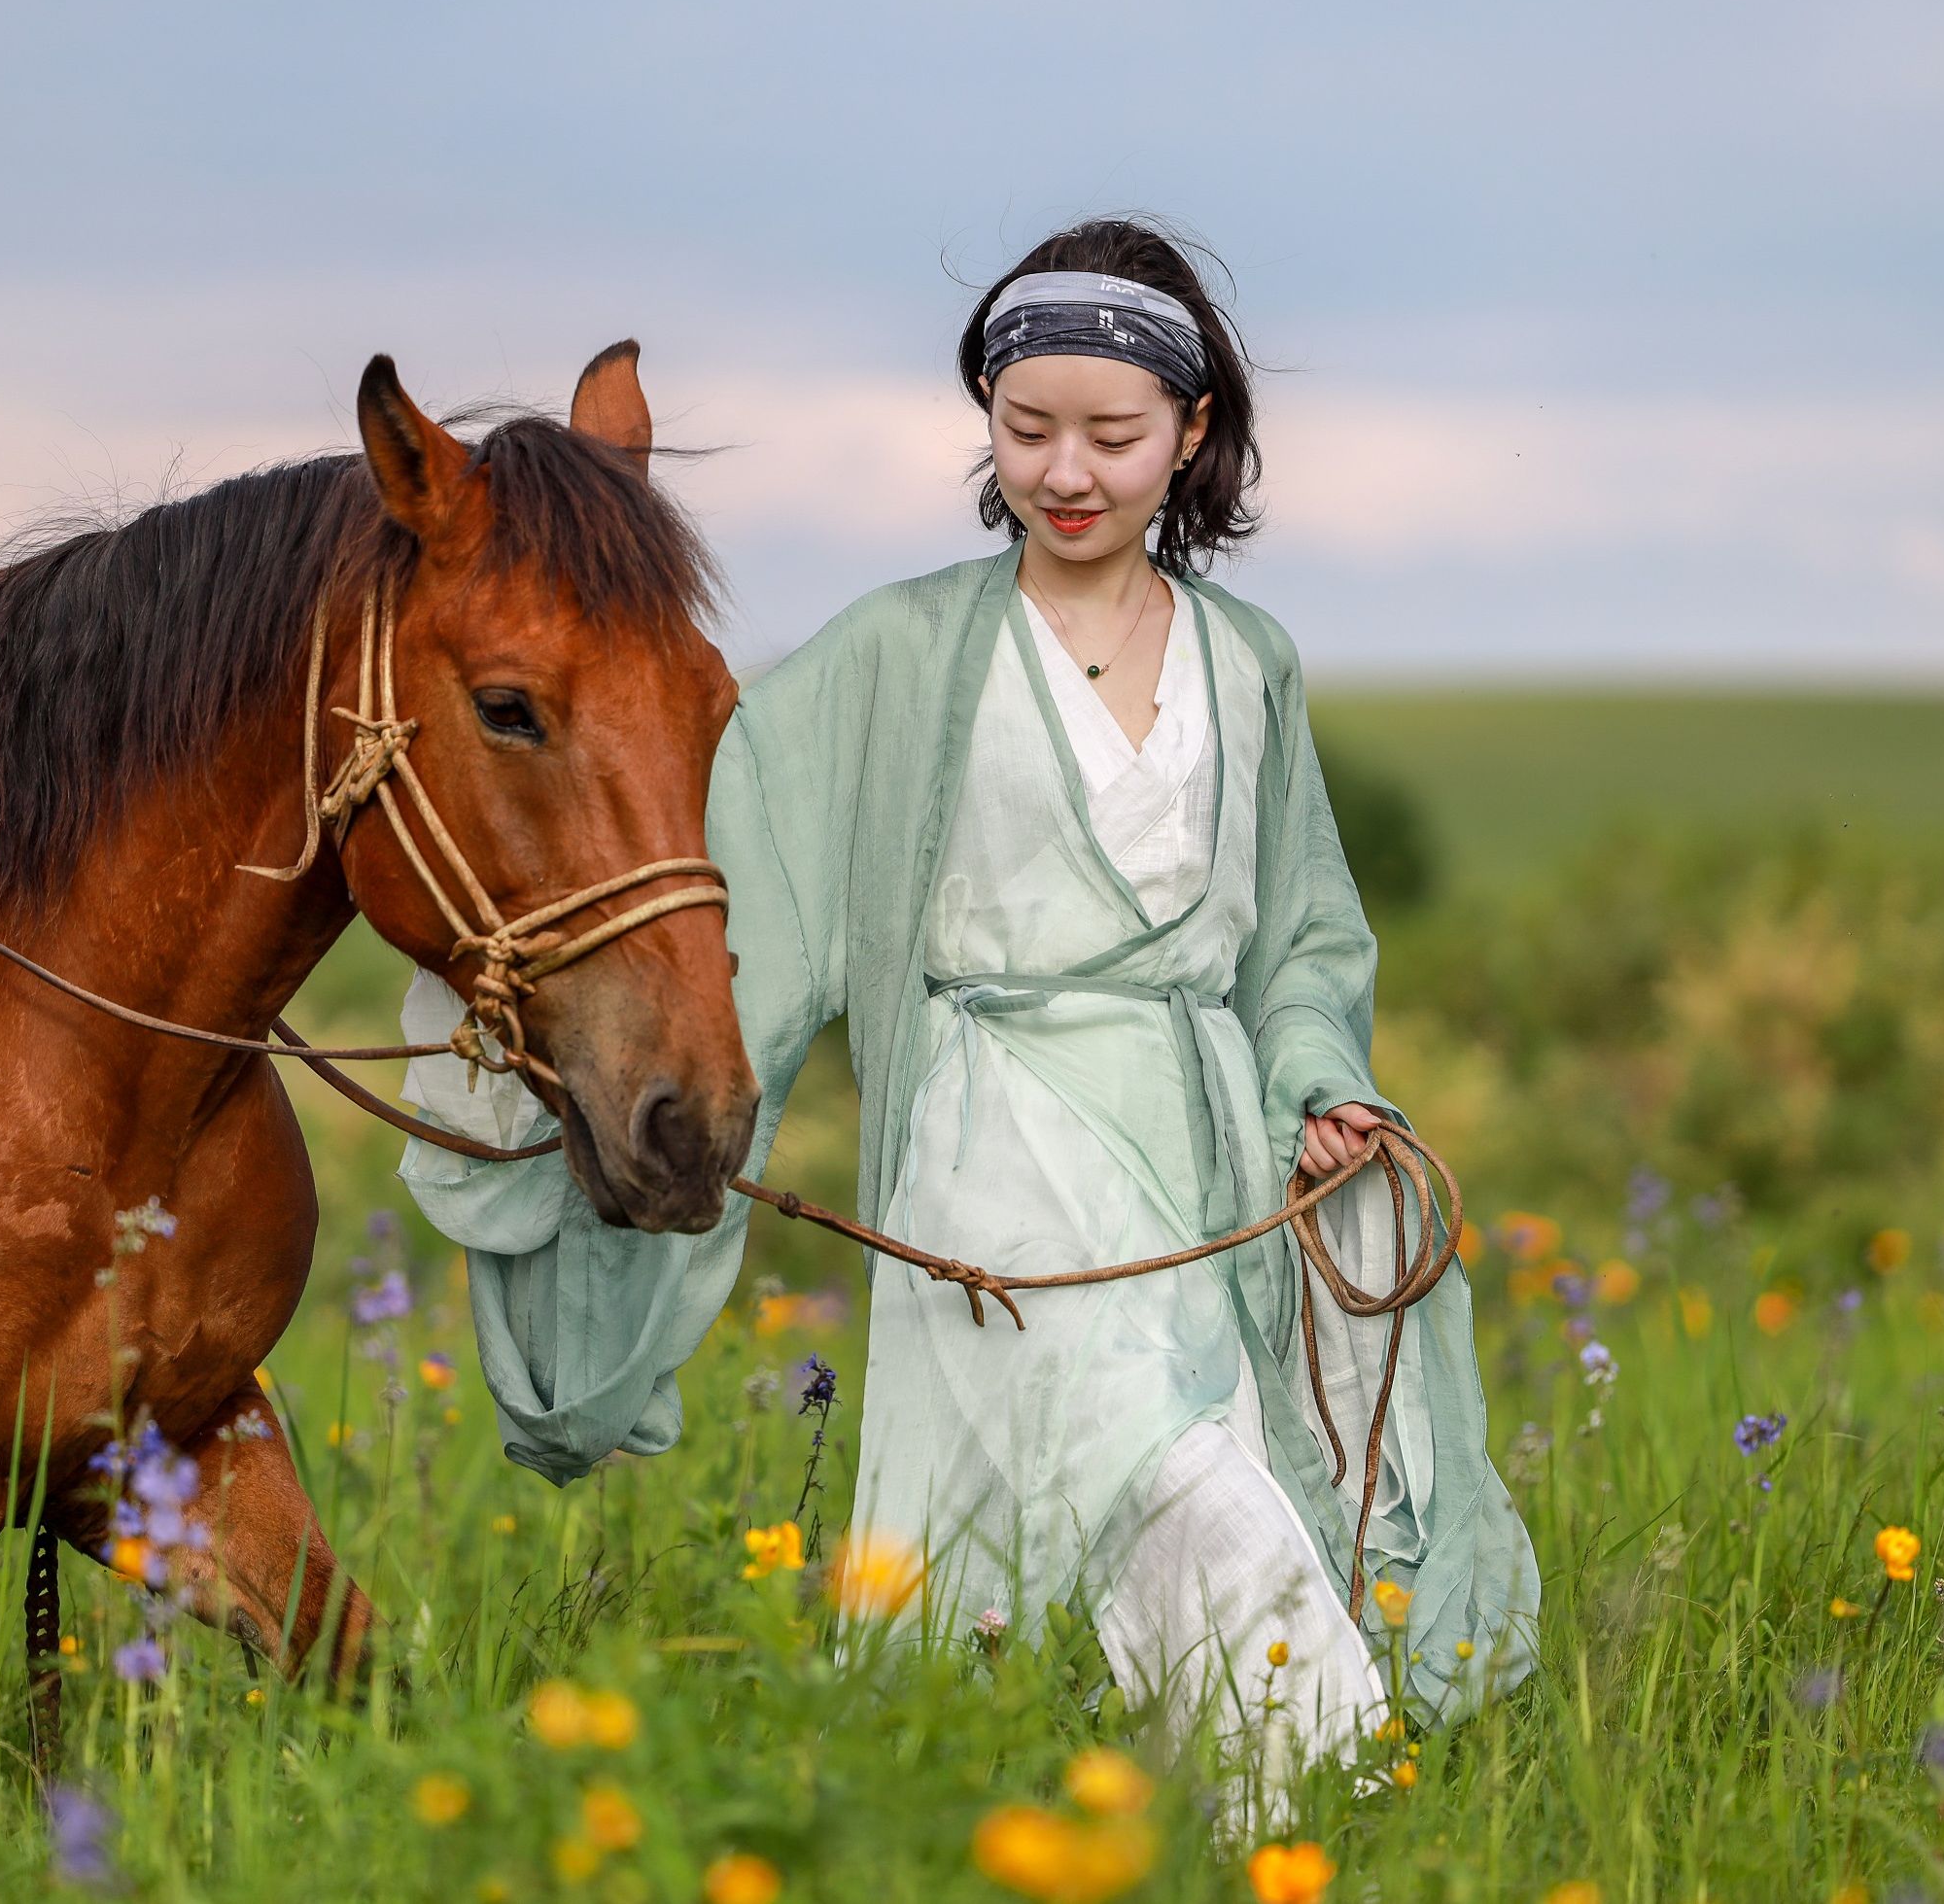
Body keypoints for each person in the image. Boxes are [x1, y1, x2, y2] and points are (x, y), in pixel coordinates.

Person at [399, 219, 1538, 1781]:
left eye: (1113, 435)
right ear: (987, 425)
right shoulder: (894, 654)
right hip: (994, 1138)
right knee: (1186, 1493)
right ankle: (1322, 1808)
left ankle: (1130, 1837)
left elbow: (1305, 942)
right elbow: (688, 849)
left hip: (1201, 1144)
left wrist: (1315, 1081)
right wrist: (541, 1009)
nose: (1067, 472)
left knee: (1149, 1522)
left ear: (1191, 435)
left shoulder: (1249, 659)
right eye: (1026, 429)